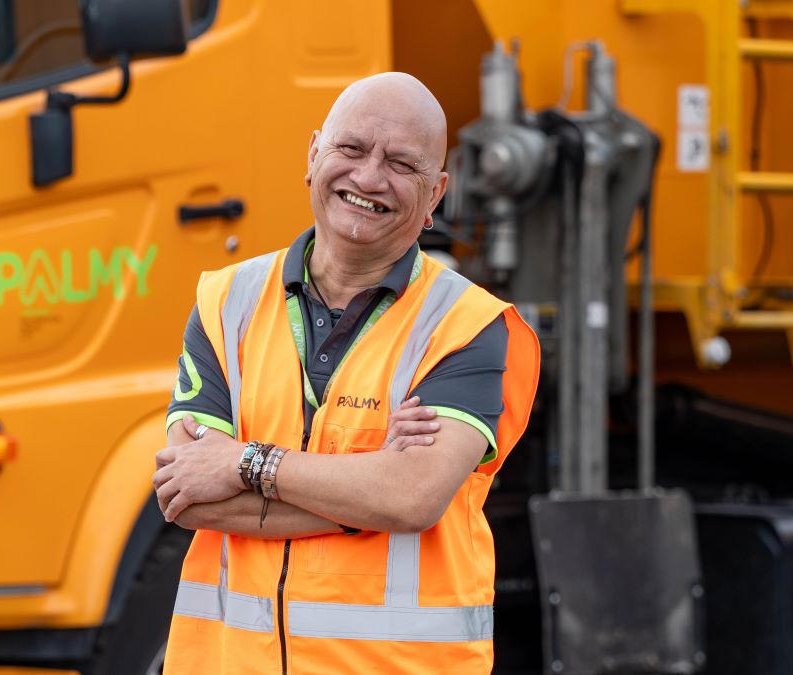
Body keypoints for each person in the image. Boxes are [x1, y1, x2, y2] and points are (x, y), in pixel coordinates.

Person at [152, 72, 540, 674]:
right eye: (351, 149)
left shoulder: (470, 326)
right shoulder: (225, 302)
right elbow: (185, 496)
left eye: (401, 164)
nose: (368, 177)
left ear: (436, 192)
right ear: (313, 155)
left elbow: (413, 497)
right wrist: (368, 494)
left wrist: (242, 464)